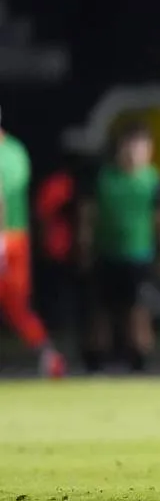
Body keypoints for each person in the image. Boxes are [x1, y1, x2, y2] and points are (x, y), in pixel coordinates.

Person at [79, 122, 160, 372]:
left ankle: (139, 363)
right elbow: (87, 217)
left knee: (137, 313)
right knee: (101, 313)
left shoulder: (154, 181)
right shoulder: (103, 177)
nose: (134, 153)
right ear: (119, 148)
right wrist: (84, 248)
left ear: (150, 150)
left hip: (139, 257)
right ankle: (96, 364)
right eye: (129, 146)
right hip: (106, 254)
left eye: (141, 147)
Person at [0, 117, 66, 378]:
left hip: (8, 238)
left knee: (16, 306)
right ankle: (49, 357)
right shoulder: (17, 149)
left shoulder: (10, 153)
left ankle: (49, 357)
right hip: (17, 238)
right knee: (17, 307)